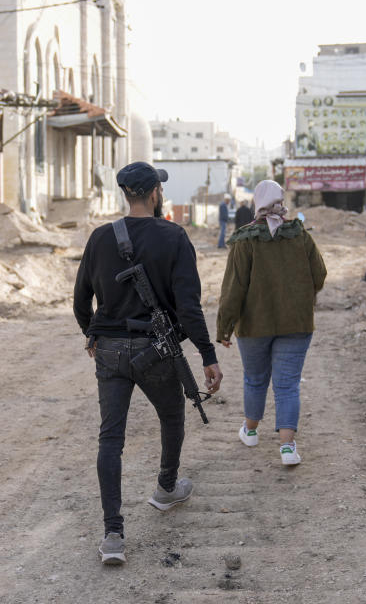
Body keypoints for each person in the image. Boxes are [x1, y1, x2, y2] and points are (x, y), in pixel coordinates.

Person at [74, 161, 223, 566]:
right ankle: (166, 488)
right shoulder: (174, 237)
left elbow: (80, 300)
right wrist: (208, 355)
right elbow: (189, 308)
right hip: (156, 350)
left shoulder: (101, 238)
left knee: (110, 440)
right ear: (155, 192)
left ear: (126, 194)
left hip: (109, 350)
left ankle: (112, 535)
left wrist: (93, 335)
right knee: (173, 417)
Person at [217, 180, 327, 466]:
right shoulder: (299, 235)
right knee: (287, 385)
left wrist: (224, 327)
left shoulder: (245, 239)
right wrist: (303, 295)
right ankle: (288, 448)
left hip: (254, 326)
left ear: (257, 202)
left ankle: (250, 431)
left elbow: (233, 289)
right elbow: (320, 274)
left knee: (255, 379)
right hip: (296, 323)